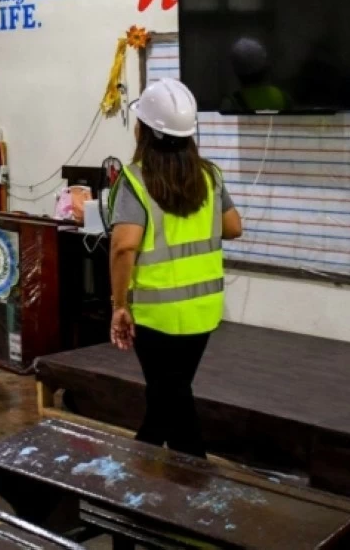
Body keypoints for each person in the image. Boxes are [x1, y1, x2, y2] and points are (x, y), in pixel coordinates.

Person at [108, 78, 243, 458]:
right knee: (170, 392)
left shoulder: (135, 180)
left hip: (156, 313)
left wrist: (119, 305)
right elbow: (234, 227)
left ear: (144, 131)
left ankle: (171, 477)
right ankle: (165, 472)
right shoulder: (208, 176)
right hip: (203, 309)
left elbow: (123, 248)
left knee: (169, 395)